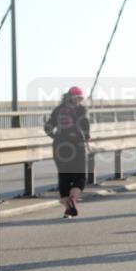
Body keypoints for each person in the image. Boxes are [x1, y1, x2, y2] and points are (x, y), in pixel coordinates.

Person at [44, 86, 90, 219]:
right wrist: (87, 138)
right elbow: (85, 127)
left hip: (59, 146)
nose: (80, 100)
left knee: (64, 178)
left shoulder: (58, 110)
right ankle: (73, 199)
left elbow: (47, 128)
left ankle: (67, 210)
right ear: (76, 98)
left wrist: (56, 137)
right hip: (76, 146)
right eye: (79, 98)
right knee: (80, 177)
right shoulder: (81, 110)